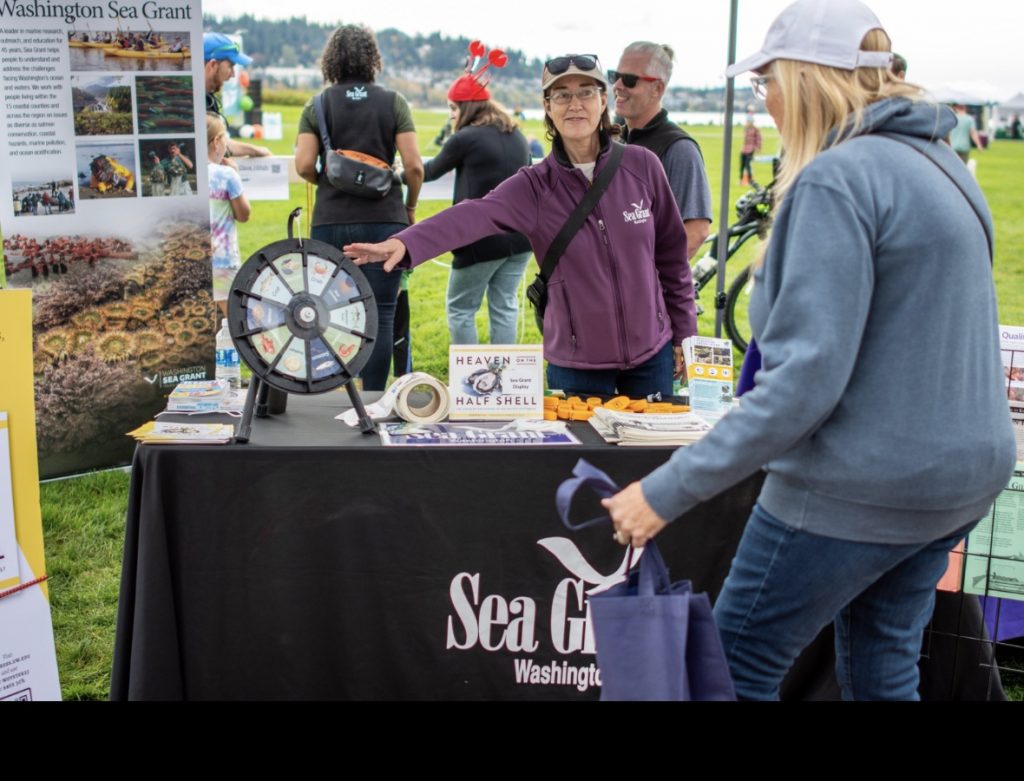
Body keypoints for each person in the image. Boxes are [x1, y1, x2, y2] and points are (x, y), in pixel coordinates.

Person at [600, 0, 1015, 700]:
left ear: (804, 79)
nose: (766, 101)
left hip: (856, 486)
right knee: (883, 666)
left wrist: (664, 491)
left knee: (727, 671)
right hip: (959, 479)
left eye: (767, 82)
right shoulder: (943, 165)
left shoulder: (835, 179)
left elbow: (802, 383)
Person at [345, 54, 695, 398]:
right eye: (562, 95)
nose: (575, 104)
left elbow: (672, 259)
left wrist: (685, 336)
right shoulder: (535, 185)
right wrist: (407, 244)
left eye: (586, 92)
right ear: (548, 107)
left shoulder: (642, 166)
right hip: (578, 365)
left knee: (650, 456)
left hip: (652, 354)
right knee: (581, 457)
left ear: (603, 100)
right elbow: (473, 214)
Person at [294, 24, 425, 390]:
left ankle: (333, 397)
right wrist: (411, 207)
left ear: (331, 60)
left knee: (327, 314)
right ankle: (372, 400)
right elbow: (414, 166)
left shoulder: (316, 104)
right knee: (381, 314)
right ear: (373, 59)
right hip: (385, 221)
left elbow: (304, 164)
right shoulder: (394, 101)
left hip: (330, 220)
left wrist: (331, 180)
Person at [420, 46, 533, 345]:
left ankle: (469, 380)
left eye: (454, 109)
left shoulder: (464, 138)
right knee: (505, 307)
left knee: (460, 309)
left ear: (466, 109)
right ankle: (503, 380)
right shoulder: (517, 134)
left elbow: (428, 171)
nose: (452, 116)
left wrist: (396, 171)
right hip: (521, 238)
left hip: (480, 238)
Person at [611, 42, 712, 259]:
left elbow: (696, 230)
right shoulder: (617, 140)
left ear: (657, 88)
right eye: (615, 76)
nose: (618, 85)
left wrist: (648, 278)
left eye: (629, 80)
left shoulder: (679, 148)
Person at [203, 33, 272, 165]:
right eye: (230, 66)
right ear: (213, 65)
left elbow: (220, 143)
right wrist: (254, 150)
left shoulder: (207, 99)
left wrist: (255, 150)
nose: (233, 74)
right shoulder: (194, 104)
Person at [207, 113, 251, 306]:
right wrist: (236, 174)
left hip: (194, 258)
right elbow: (243, 214)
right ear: (217, 141)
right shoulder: (227, 175)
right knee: (234, 318)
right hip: (223, 260)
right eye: (226, 137)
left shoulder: (188, 175)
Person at [739, 115, 762, 186]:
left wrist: (758, 148)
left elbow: (759, 139)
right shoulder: (746, 129)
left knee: (748, 165)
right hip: (744, 149)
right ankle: (741, 180)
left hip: (751, 150)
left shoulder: (755, 129)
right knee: (742, 165)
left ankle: (750, 181)